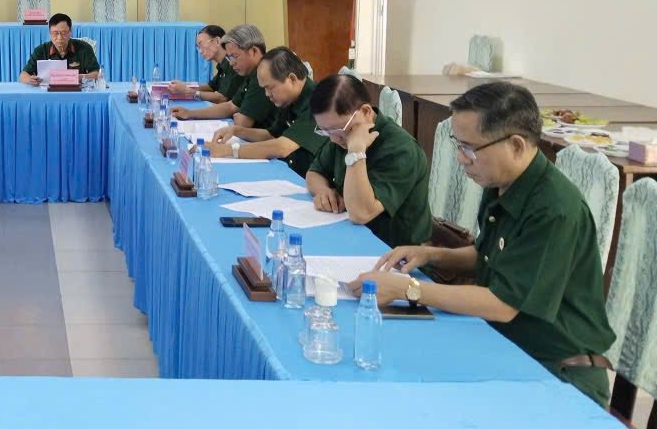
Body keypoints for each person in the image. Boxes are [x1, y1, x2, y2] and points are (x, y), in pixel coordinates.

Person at [353, 82, 616, 408]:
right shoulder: (504, 181)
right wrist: (431, 254)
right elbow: (489, 255)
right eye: (458, 145)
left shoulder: (554, 210)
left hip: (556, 372)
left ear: (516, 145)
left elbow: (503, 304)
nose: (461, 159)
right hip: (505, 346)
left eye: (470, 148)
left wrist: (409, 289)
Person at [305, 74, 431, 248]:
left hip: (394, 251)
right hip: (352, 236)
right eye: (326, 131)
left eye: (339, 129)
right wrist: (325, 192)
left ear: (366, 112)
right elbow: (314, 173)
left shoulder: (401, 149)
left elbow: (361, 213)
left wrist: (356, 151)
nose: (333, 139)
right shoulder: (341, 135)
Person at [210, 47, 324, 177]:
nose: (267, 94)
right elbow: (271, 134)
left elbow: (282, 147)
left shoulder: (319, 101)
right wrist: (236, 130)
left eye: (270, 87)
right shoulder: (289, 99)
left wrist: (227, 150)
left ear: (292, 79)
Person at [171, 24, 275, 128]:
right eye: (229, 58)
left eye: (235, 56)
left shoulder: (262, 76)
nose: (231, 63)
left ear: (254, 51)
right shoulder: (251, 74)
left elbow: (242, 122)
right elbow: (230, 106)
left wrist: (190, 92)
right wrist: (189, 113)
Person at [19, 13, 100, 85]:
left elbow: (96, 74)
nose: (59, 37)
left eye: (63, 33)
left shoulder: (84, 48)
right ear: (50, 34)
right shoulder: (41, 50)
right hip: (47, 92)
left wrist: (79, 77)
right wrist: (29, 79)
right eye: (55, 33)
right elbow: (23, 75)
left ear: (70, 32)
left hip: (77, 91)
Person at [169, 25, 236, 104]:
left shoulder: (233, 64)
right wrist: (185, 86)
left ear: (217, 41)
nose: (200, 52)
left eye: (201, 45)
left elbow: (222, 98)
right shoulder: (222, 65)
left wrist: (189, 92)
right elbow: (211, 87)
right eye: (198, 47)